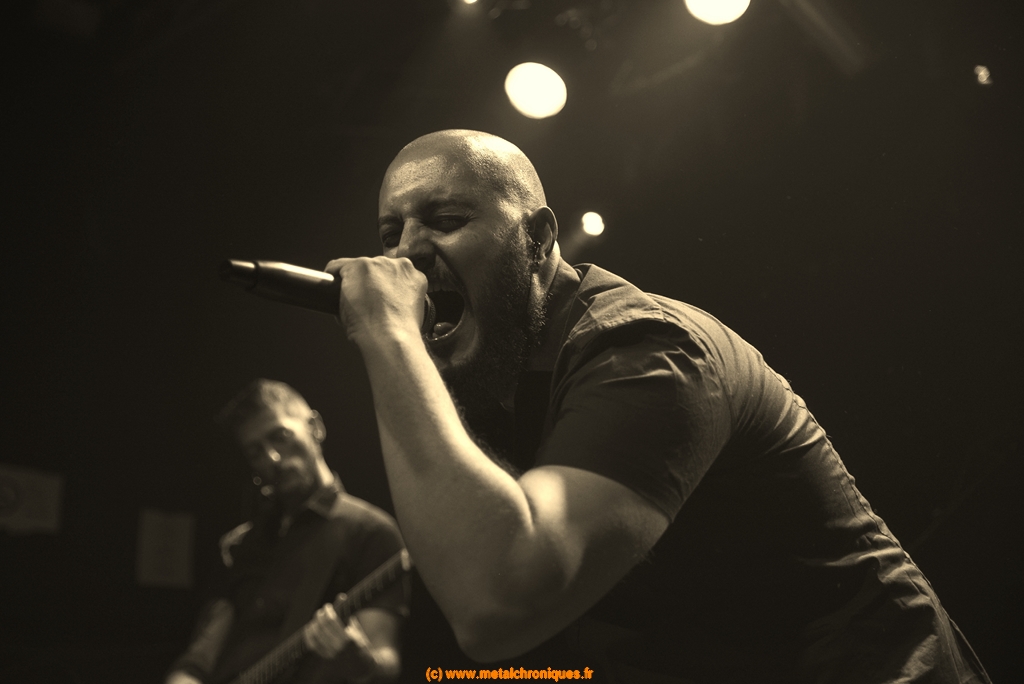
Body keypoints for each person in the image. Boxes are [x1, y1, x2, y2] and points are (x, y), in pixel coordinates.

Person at [322, 129, 991, 684]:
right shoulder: (499, 388)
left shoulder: (646, 351)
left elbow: (497, 600)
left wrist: (388, 337)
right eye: (390, 233)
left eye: (445, 222)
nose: (406, 255)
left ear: (539, 239)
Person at [165, 379, 408, 684]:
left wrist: (353, 653)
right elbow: (202, 654)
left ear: (315, 428)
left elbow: (386, 664)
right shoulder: (239, 545)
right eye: (255, 452)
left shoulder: (370, 531)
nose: (272, 459)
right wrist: (184, 677)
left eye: (280, 436)